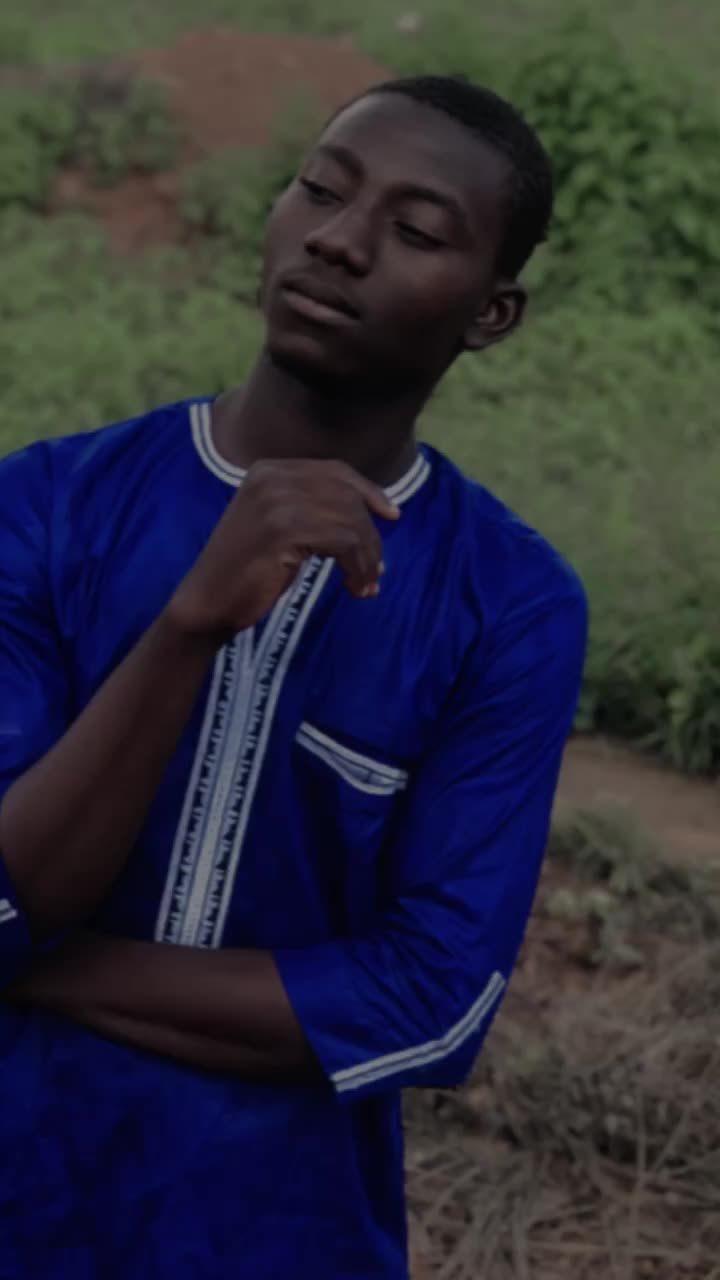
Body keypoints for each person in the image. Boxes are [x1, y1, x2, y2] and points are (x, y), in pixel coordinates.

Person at [0, 75, 587, 1279]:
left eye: (414, 229)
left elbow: (429, 999)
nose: (339, 240)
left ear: (491, 313)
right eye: (321, 188)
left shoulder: (509, 602)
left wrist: (35, 962)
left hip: (282, 1233)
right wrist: (188, 624)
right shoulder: (48, 507)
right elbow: (15, 875)